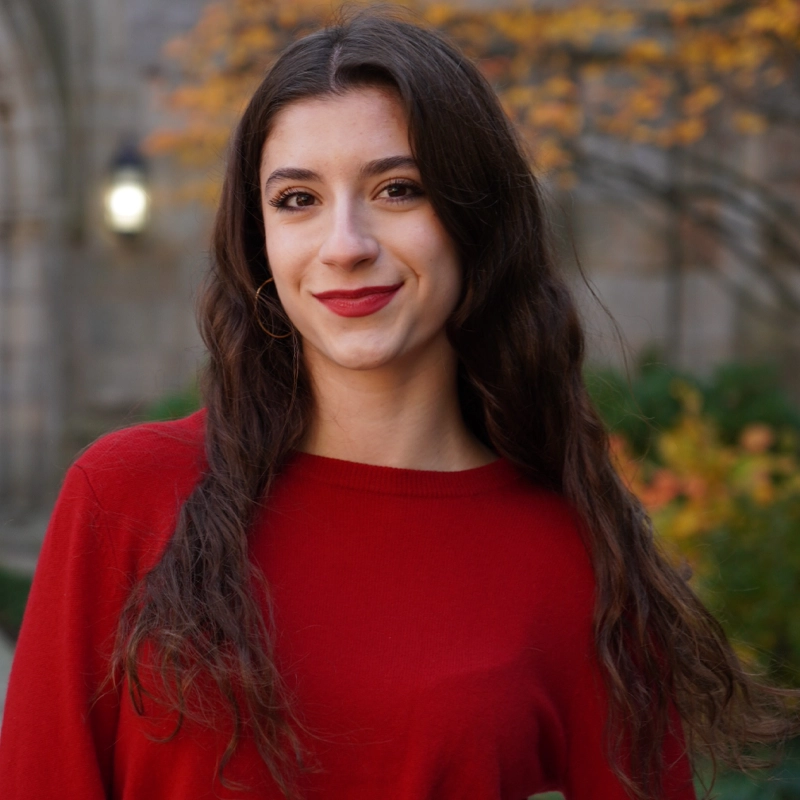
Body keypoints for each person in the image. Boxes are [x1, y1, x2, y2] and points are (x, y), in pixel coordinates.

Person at [0, 8, 796, 800]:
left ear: (474, 221)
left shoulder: (572, 553)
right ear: (259, 241)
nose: (346, 244)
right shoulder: (125, 498)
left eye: (397, 188)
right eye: (298, 200)